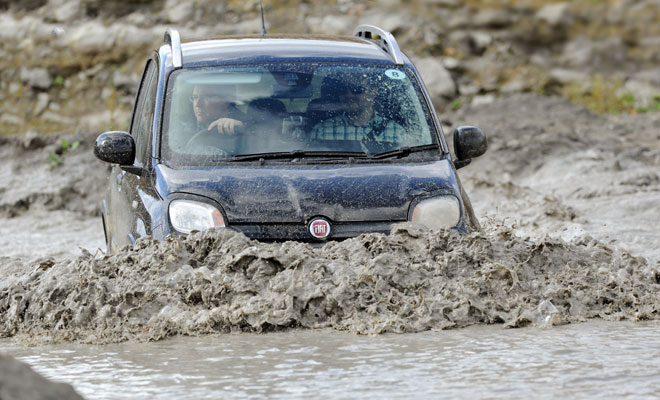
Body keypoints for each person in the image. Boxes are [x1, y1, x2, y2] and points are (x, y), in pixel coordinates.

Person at [309, 75, 413, 151]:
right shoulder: (322, 131)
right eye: (342, 90)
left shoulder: (397, 132)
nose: (349, 95)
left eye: (356, 89)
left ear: (373, 92)